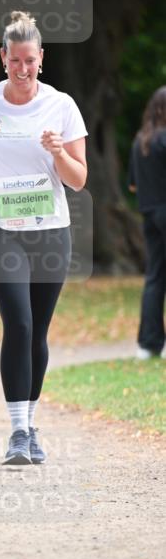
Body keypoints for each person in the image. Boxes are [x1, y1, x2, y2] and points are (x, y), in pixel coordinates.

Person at [0, 10, 88, 465]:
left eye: (30, 60)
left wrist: (59, 152)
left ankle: (31, 421)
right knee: (19, 324)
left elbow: (79, 178)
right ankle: (19, 432)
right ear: (2, 57)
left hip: (48, 234)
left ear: (41, 59)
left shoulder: (61, 105)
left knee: (38, 332)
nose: (23, 70)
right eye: (14, 61)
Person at [128, 85, 166, 359]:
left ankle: (149, 344)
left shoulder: (140, 141)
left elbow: (132, 186)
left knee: (154, 277)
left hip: (149, 215)